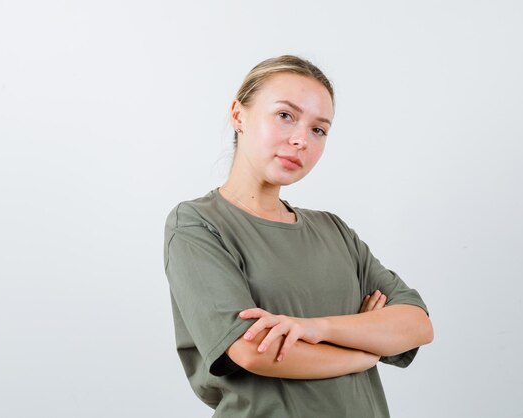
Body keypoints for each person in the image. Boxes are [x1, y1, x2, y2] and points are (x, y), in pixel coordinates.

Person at [163, 55, 434, 418]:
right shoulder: (198, 223)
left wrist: (313, 328)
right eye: (285, 115)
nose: (301, 140)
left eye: (318, 129)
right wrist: (364, 350)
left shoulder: (333, 231)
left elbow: (416, 324)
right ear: (238, 115)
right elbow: (250, 350)